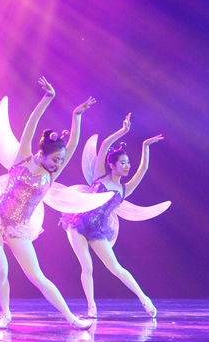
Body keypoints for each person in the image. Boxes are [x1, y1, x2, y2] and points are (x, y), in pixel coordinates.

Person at [0, 77, 95, 331]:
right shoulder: (22, 159)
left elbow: (72, 144)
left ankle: (72, 319)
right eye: (55, 160)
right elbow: (31, 124)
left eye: (60, 161)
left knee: (37, 276)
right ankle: (5, 314)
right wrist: (47, 99)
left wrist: (76, 116)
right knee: (2, 269)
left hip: (19, 226)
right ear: (41, 154)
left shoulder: (51, 175)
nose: (58, 164)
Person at [61, 113, 163, 318]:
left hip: (98, 230)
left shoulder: (125, 189)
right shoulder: (99, 176)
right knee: (87, 265)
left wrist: (145, 147)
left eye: (128, 163)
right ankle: (91, 307)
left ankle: (145, 300)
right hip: (78, 224)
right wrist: (123, 131)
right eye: (123, 163)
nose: (127, 166)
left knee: (116, 267)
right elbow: (105, 144)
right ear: (112, 165)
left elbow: (142, 169)